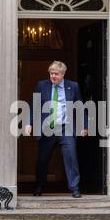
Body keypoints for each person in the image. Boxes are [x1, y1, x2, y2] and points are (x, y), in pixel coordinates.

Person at [25, 61, 88, 198]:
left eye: (56, 74)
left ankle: (74, 188)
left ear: (63, 74)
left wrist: (84, 126)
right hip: (47, 129)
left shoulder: (73, 86)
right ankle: (39, 185)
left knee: (71, 157)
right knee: (42, 159)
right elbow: (34, 105)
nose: (53, 76)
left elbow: (80, 106)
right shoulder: (42, 85)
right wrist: (29, 123)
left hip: (66, 128)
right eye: (51, 73)